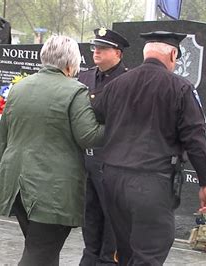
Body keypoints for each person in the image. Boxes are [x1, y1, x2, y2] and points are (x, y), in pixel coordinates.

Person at [93, 31, 206, 265]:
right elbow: (195, 139)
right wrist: (205, 183)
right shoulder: (181, 88)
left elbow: (97, 115)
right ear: (172, 54)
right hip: (151, 182)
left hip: (113, 180)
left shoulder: (116, 85)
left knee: (127, 252)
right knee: (150, 253)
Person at [0, 35, 104, 266]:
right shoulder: (75, 90)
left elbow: (3, 136)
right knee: (40, 253)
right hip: (52, 189)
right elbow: (88, 136)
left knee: (42, 251)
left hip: (16, 184)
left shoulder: (19, 88)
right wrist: (120, 124)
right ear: (71, 65)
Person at [79, 27, 129, 266]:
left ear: (118, 53)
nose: (96, 52)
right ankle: (90, 256)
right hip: (86, 159)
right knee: (90, 213)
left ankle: (108, 259)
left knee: (111, 216)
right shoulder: (85, 77)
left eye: (103, 48)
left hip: (112, 158)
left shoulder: (127, 80)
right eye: (94, 47)